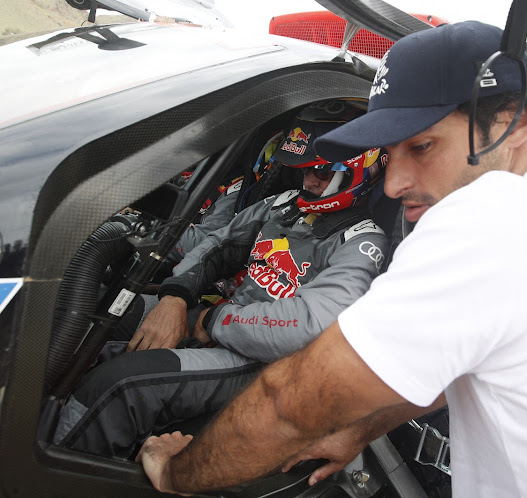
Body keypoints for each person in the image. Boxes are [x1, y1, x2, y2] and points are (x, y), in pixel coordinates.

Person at [137, 21, 527, 497]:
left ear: (514, 122)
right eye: (389, 153)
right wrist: (359, 427)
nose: (395, 182)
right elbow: (460, 367)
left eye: (422, 146)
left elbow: (289, 405)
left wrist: (177, 472)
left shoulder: (495, 215)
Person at [53, 100, 389, 458]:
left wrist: (214, 321)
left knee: (119, 387)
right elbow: (217, 245)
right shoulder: (285, 204)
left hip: (265, 364)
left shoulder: (363, 244)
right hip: (219, 321)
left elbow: (306, 326)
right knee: (98, 313)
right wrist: (176, 297)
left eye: (321, 172)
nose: (309, 180)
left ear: (357, 170)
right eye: (305, 171)